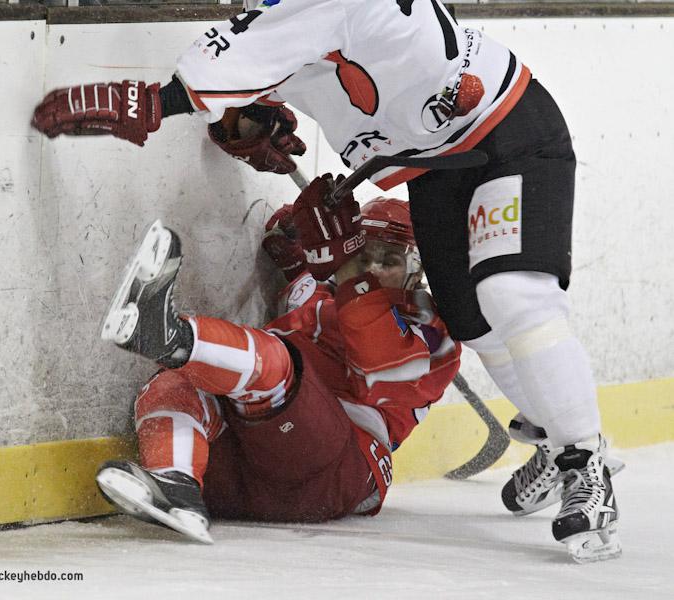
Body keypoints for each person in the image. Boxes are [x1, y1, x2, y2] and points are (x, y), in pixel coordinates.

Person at [31, 0, 620, 562]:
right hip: (432, 165)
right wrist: (258, 116)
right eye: (376, 248)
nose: (383, 260)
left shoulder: (415, 321)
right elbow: (289, 60)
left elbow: (259, 45)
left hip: (506, 130)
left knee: (511, 295)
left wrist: (161, 101)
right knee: (479, 324)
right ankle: (558, 440)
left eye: (391, 253)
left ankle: (584, 462)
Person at [95, 193, 460, 543]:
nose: (373, 269)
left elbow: (378, 359)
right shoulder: (320, 291)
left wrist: (348, 267)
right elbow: (286, 240)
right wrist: (301, 223)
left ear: (416, 271)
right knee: (175, 384)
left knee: (278, 364)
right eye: (363, 255)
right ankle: (176, 485)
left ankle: (170, 337)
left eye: (390, 261)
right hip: (247, 472)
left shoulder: (433, 329)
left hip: (333, 470)